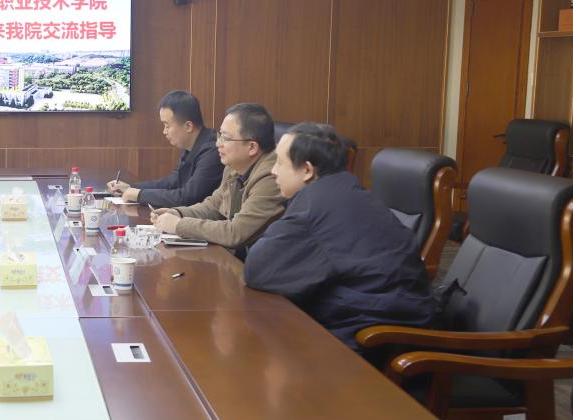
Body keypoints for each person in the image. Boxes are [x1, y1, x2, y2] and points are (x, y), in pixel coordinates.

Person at [244, 123, 435, 349]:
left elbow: (258, 269)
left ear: (307, 170)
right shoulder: (343, 188)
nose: (273, 171)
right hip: (395, 313)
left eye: (279, 162)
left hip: (379, 335)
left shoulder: (314, 208)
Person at [152, 102, 285, 252]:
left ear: (252, 147)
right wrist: (178, 213)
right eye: (220, 135)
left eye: (226, 138)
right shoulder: (234, 166)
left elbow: (235, 233)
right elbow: (214, 206)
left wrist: (178, 225)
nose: (217, 144)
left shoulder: (273, 176)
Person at [107, 90, 222, 207]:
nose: (164, 131)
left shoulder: (212, 151)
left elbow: (187, 197)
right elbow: (174, 181)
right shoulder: (191, 144)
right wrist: (132, 188)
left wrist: (139, 194)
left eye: (167, 126)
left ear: (188, 126)